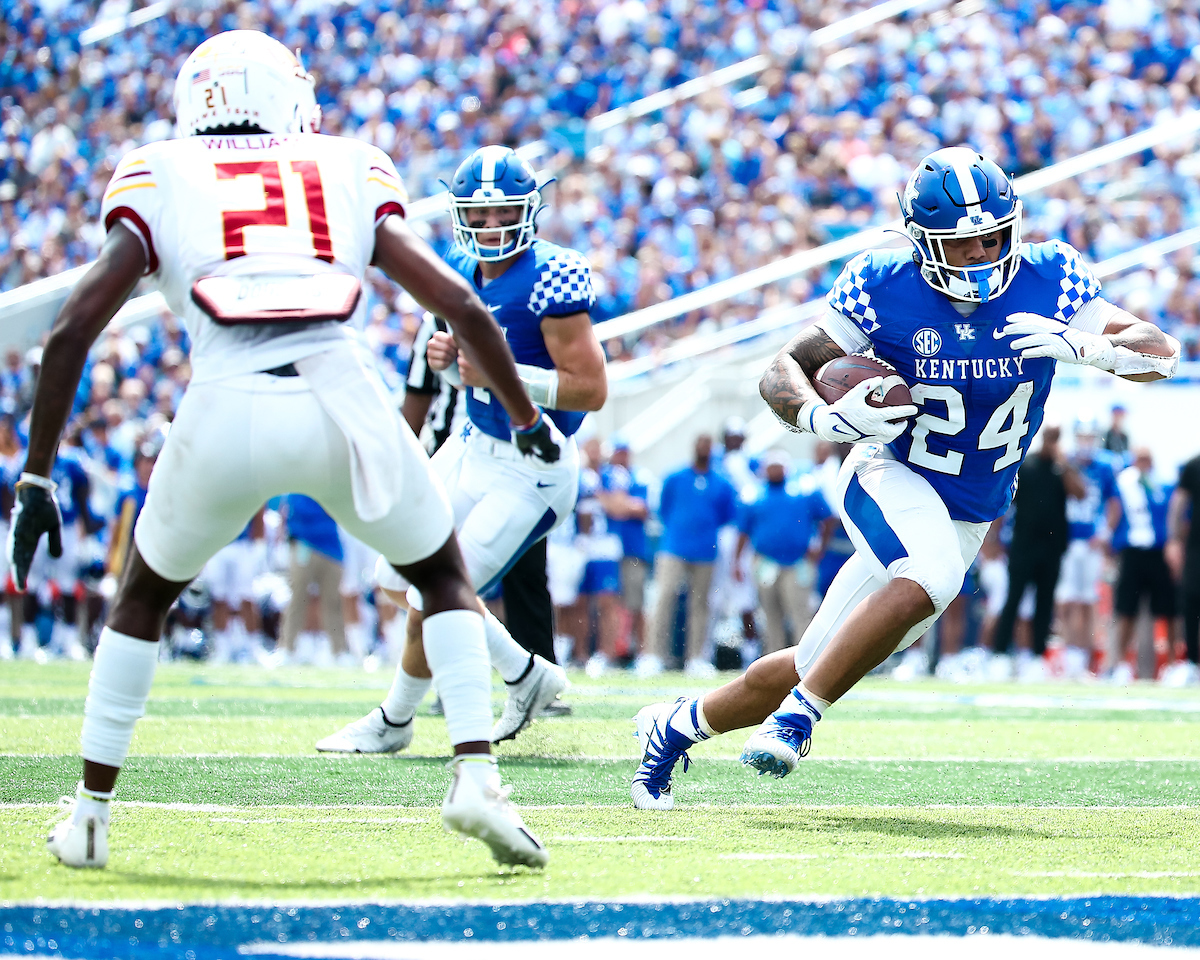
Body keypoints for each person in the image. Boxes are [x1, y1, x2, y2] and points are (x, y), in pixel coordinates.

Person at [14, 31, 559, 870]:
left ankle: (89, 814)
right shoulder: (347, 161)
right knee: (442, 578)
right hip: (343, 395)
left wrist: (38, 471)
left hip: (225, 400)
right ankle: (477, 778)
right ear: (287, 98)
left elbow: (70, 332)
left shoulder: (157, 169)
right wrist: (524, 415)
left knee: (142, 598)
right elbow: (457, 302)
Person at [630, 146, 1179, 809]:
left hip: (971, 510)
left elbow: (1161, 354)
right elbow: (784, 368)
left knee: (819, 656)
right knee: (929, 577)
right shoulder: (883, 282)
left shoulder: (1052, 275)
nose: (980, 256)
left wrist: (1093, 348)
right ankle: (799, 720)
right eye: (962, 245)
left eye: (991, 239)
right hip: (890, 474)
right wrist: (819, 418)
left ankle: (676, 725)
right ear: (921, 243)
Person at [316, 143, 607, 751]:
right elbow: (466, 367)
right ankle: (525, 673)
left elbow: (590, 390)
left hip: (533, 464)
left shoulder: (553, 273)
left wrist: (498, 372)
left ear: (529, 211)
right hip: (471, 444)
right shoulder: (459, 264)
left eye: (505, 213)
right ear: (460, 216)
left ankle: (394, 721)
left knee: (433, 589)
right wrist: (448, 363)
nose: (492, 226)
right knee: (394, 576)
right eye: (480, 214)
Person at [990, 425, 1083, 681]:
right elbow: (1004, 503)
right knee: (1013, 600)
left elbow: (1081, 493)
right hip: (1023, 546)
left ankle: (1036, 656)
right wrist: (994, 541)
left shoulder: (1062, 468)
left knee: (1045, 603)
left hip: (1052, 548)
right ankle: (1000, 654)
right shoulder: (1026, 466)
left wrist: (1063, 462)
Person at [641, 434, 738, 677]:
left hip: (706, 550)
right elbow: (663, 508)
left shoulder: (722, 483)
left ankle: (696, 657)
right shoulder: (675, 477)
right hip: (674, 547)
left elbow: (727, 515)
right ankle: (653, 655)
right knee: (664, 598)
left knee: (701, 604)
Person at [734, 450, 832, 657]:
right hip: (765, 561)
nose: (775, 471)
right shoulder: (754, 494)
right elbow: (743, 532)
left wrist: (820, 547)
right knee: (769, 614)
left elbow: (828, 518)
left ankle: (806, 661)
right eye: (771, 467)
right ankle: (772, 660)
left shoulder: (803, 490)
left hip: (798, 561)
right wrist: (737, 561)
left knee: (800, 613)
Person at [1056, 419, 1120, 674]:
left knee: (1089, 600)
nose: (1086, 442)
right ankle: (1070, 655)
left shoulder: (1105, 466)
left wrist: (1105, 533)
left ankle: (1086, 657)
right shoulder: (1065, 463)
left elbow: (1114, 502)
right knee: (1067, 600)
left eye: (1090, 437)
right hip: (1068, 541)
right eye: (1082, 436)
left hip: (1092, 543)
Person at [1110, 447, 1176, 682]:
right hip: (1132, 553)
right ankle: (1119, 664)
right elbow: (1114, 513)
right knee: (1126, 610)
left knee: (1167, 611)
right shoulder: (1123, 483)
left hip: (1158, 553)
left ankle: (1171, 666)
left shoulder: (1164, 485)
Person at [1166, 450, 1200, 685]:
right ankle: (1191, 662)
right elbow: (1179, 503)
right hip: (1196, 545)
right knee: (1191, 600)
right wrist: (1174, 540)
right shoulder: (1194, 465)